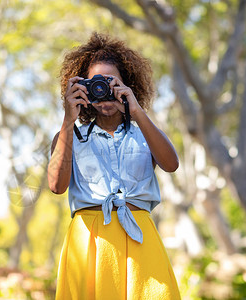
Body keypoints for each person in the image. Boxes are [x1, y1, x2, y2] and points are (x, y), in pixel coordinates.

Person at [48, 32, 181, 299]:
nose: (103, 90)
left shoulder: (145, 132)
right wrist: (67, 119)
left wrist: (136, 110)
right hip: (89, 239)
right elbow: (56, 186)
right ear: (83, 87)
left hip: (140, 235)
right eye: (95, 83)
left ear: (127, 85)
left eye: (111, 82)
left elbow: (171, 164)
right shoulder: (69, 134)